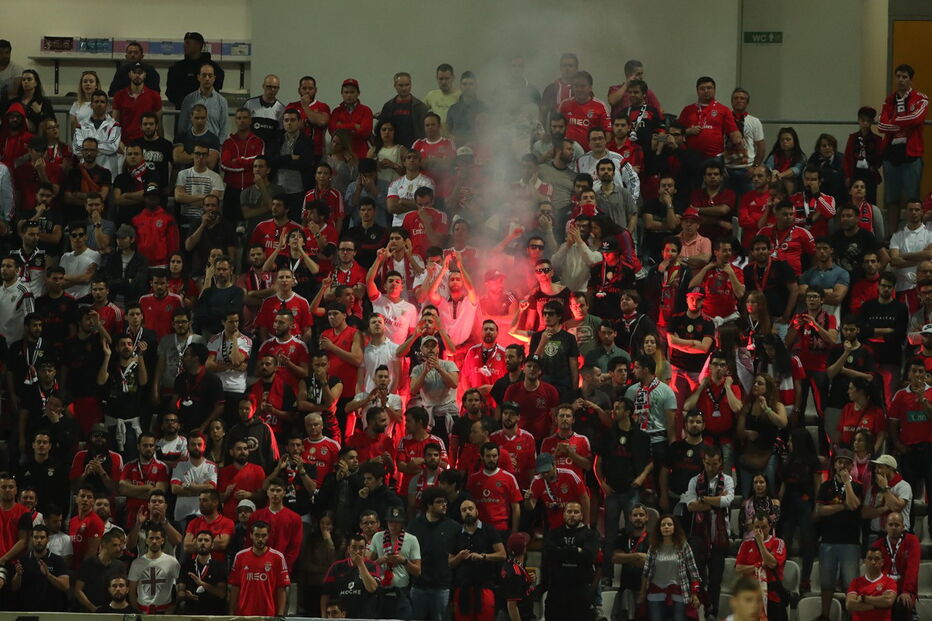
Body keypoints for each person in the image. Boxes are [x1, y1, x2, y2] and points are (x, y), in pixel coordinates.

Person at [682, 444, 734, 621]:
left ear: (720, 463)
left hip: (719, 535)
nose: (711, 467)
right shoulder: (694, 480)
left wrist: (702, 499)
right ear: (703, 462)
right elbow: (690, 506)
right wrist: (715, 501)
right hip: (698, 534)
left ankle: (712, 612)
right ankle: (698, 612)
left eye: (715, 464)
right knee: (698, 576)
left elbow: (727, 500)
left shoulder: (727, 479)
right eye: (708, 464)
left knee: (715, 578)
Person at [878, 64, 929, 233]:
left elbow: (917, 119)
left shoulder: (921, 98)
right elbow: (881, 125)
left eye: (905, 77)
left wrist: (895, 121)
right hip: (891, 155)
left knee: (912, 198)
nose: (901, 80)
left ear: (910, 79)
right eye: (898, 76)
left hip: (911, 155)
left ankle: (913, 234)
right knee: (891, 199)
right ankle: (892, 235)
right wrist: (902, 125)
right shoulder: (889, 100)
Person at [815, 448, 863, 620]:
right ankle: (825, 615)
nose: (843, 465)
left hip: (850, 541)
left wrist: (847, 483)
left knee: (851, 584)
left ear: (852, 466)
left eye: (847, 463)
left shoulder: (857, 486)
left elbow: (855, 505)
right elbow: (820, 510)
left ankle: (853, 617)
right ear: (834, 464)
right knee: (827, 582)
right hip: (828, 539)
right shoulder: (825, 486)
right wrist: (843, 506)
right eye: (840, 461)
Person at [638, 514, 703, 621]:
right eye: (663, 525)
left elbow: (693, 572)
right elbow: (646, 572)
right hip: (656, 592)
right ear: (659, 529)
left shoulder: (683, 546)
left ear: (674, 528)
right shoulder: (653, 548)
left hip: (679, 592)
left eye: (669, 524)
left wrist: (695, 594)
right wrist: (642, 592)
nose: (666, 527)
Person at [228, 521, 290, 616]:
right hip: (243, 614)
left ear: (268, 536)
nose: (260, 539)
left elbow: (281, 588)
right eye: (257, 535)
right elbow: (235, 586)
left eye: (263, 535)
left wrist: (280, 614)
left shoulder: (278, 557)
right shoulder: (240, 556)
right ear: (251, 535)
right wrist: (231, 612)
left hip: (268, 613)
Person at [734, 513, 788, 621]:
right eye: (757, 527)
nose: (760, 531)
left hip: (773, 596)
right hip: (752, 596)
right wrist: (758, 566)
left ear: (770, 526)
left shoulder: (778, 542)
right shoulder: (746, 544)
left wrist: (760, 542)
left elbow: (772, 564)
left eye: (764, 527)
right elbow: (738, 568)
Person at [870, 511, 920, 621]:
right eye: (890, 524)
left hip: (904, 589)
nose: (893, 528)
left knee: (902, 604)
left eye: (897, 525)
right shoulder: (877, 545)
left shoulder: (912, 541)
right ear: (885, 526)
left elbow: (913, 569)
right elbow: (873, 571)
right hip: (884, 589)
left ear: (903, 526)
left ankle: (912, 614)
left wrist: (907, 591)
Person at [321, 532, 380, 618]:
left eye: (361, 548)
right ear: (348, 549)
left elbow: (372, 588)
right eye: (354, 548)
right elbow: (325, 593)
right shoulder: (336, 566)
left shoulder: (372, 566)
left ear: (366, 549)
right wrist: (323, 616)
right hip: (341, 617)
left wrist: (361, 565)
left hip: (365, 617)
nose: (357, 551)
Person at [127, 524, 181, 613]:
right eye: (151, 538)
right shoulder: (136, 563)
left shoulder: (172, 561)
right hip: (143, 611)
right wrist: (137, 611)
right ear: (146, 540)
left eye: (157, 538)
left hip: (165, 612)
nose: (154, 541)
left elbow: (180, 586)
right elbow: (131, 591)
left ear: (163, 540)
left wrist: (174, 605)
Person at [176, 529, 229, 615]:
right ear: (196, 544)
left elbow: (221, 593)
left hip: (213, 612)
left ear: (212, 545)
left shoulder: (220, 566)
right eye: (200, 540)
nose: (203, 543)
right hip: (191, 612)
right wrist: (186, 595)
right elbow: (180, 592)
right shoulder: (186, 565)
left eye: (206, 540)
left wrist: (202, 583)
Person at [74, 528, 127, 612]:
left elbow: (123, 591)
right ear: (104, 544)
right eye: (114, 545)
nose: (118, 549)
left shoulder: (119, 566)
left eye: (119, 545)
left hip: (112, 612)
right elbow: (78, 590)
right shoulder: (88, 564)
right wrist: (93, 608)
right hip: (89, 612)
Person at [845, 547, 898, 621]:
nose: (873, 562)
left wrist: (864, 598)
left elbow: (888, 601)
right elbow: (850, 604)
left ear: (882, 562)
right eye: (870, 558)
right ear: (865, 561)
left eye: (877, 559)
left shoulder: (890, 581)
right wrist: (878, 604)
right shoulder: (856, 582)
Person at [244, 74, 285, 142]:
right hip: (251, 146)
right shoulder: (250, 104)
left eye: (275, 87)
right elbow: (242, 125)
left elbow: (281, 131)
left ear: (278, 88)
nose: (272, 90)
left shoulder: (281, 109)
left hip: (271, 148)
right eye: (269, 87)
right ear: (263, 86)